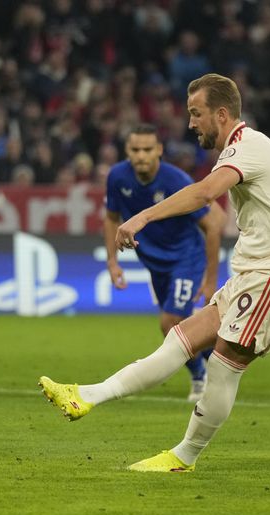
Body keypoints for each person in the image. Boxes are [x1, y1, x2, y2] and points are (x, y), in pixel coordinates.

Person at [40, 73, 270, 472]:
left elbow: (206, 195)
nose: (191, 124)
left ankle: (184, 456)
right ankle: (86, 395)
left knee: (223, 364)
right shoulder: (238, 149)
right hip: (256, 274)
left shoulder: (250, 147)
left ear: (221, 115)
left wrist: (142, 217)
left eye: (196, 113)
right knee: (178, 339)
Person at [104, 123, 225, 402]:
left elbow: (213, 226)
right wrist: (112, 262)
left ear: (159, 150)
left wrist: (210, 281)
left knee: (169, 322)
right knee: (180, 322)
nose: (142, 156)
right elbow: (111, 218)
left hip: (186, 258)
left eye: (148, 149)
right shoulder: (117, 177)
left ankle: (199, 376)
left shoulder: (176, 181)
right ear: (127, 151)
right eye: (136, 149)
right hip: (154, 263)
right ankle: (219, 356)